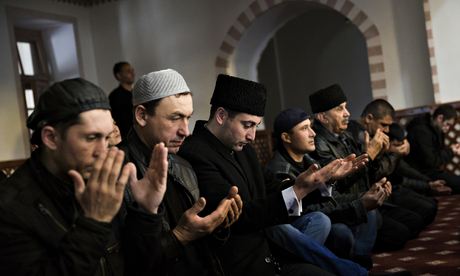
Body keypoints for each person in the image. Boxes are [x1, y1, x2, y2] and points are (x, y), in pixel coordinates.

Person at [179, 74, 367, 276]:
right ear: (221, 116)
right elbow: (237, 218)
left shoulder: (244, 149)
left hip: (269, 248)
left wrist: (319, 183)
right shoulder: (195, 152)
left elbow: (271, 187)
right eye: (247, 125)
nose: (252, 136)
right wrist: (298, 190)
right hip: (243, 261)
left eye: (255, 125)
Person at [0, 78, 169, 276]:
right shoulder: (10, 207)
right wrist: (95, 221)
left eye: (107, 138)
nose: (103, 151)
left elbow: (140, 266)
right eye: (91, 138)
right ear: (51, 138)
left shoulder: (101, 180)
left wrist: (146, 212)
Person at [119, 69, 242, 276]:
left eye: (187, 118)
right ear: (142, 115)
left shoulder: (183, 165)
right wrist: (180, 236)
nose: (185, 130)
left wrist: (216, 225)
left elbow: (202, 247)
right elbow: (126, 262)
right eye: (175, 118)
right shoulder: (118, 173)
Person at [265, 108, 386, 269]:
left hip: (319, 218)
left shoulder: (308, 161)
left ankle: (357, 262)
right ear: (286, 137)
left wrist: (365, 196)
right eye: (304, 128)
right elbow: (307, 212)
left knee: (371, 212)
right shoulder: (279, 171)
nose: (313, 133)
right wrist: (359, 205)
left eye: (311, 127)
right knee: (335, 228)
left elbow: (331, 198)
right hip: (296, 232)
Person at [309, 84, 416, 251]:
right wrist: (370, 155)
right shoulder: (318, 143)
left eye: (346, 107)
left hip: (360, 201)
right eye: (339, 109)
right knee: (400, 232)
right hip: (346, 209)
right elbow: (337, 186)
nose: (347, 113)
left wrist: (376, 185)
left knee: (411, 223)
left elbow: (364, 174)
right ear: (323, 117)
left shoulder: (345, 136)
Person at [405, 104, 460, 193]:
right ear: (440, 118)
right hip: (421, 175)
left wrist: (451, 150)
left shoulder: (435, 128)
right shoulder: (421, 131)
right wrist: (451, 151)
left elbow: (437, 153)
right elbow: (432, 161)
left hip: (431, 171)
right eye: (447, 124)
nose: (448, 128)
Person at [387, 123, 451, 196]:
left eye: (402, 144)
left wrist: (429, 182)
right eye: (396, 145)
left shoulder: (395, 156)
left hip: (403, 184)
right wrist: (428, 185)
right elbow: (401, 180)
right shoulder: (386, 158)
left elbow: (407, 170)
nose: (401, 149)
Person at [109, 61, 135, 140]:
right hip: (126, 138)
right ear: (119, 76)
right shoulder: (114, 96)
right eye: (128, 71)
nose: (132, 73)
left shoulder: (138, 92)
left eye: (132, 70)